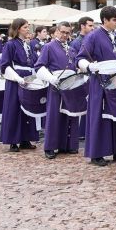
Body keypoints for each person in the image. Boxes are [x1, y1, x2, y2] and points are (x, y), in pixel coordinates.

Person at [77, 6, 116, 167]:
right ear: (105, 20)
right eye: (114, 20)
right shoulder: (93, 36)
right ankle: (96, 153)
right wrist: (90, 67)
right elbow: (80, 58)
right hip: (102, 78)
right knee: (100, 115)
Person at [34, 22, 81, 159]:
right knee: (54, 115)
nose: (65, 35)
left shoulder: (71, 49)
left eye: (67, 33)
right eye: (62, 32)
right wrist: (51, 78)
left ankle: (68, 144)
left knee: (70, 114)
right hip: (56, 83)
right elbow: (39, 67)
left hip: (70, 85)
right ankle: (50, 147)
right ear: (56, 32)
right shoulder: (48, 47)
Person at [0, 18, 39, 153]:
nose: (28, 29)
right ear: (18, 29)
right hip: (16, 81)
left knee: (27, 109)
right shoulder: (10, 45)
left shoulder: (28, 45)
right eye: (25, 27)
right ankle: (13, 141)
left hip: (28, 80)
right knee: (14, 109)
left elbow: (33, 63)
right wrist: (18, 78)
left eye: (28, 27)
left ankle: (25, 139)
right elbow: (5, 65)